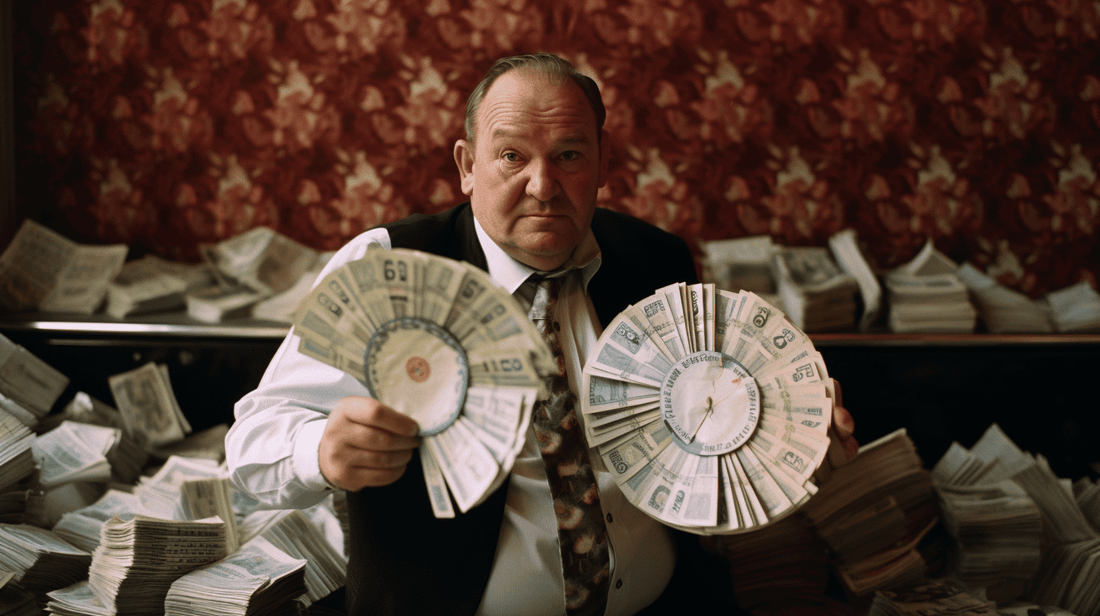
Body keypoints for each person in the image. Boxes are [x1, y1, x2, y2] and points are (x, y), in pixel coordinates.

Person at [226, 52, 858, 616]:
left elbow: (705, 447)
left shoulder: (655, 259)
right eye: (511, 156)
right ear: (467, 166)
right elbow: (251, 444)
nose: (542, 185)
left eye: (569, 155)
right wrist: (322, 451)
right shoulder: (385, 266)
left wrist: (791, 449)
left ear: (603, 163)